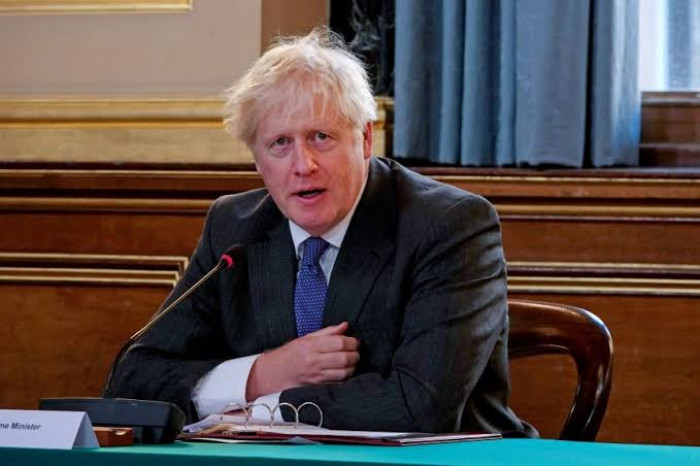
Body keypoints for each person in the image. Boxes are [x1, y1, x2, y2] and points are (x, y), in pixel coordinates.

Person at [105, 28, 534, 436]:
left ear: (365, 140)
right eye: (280, 143)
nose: (303, 165)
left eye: (321, 137)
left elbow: (421, 404)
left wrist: (261, 410)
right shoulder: (236, 228)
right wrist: (262, 375)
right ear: (257, 161)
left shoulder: (448, 225)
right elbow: (132, 379)